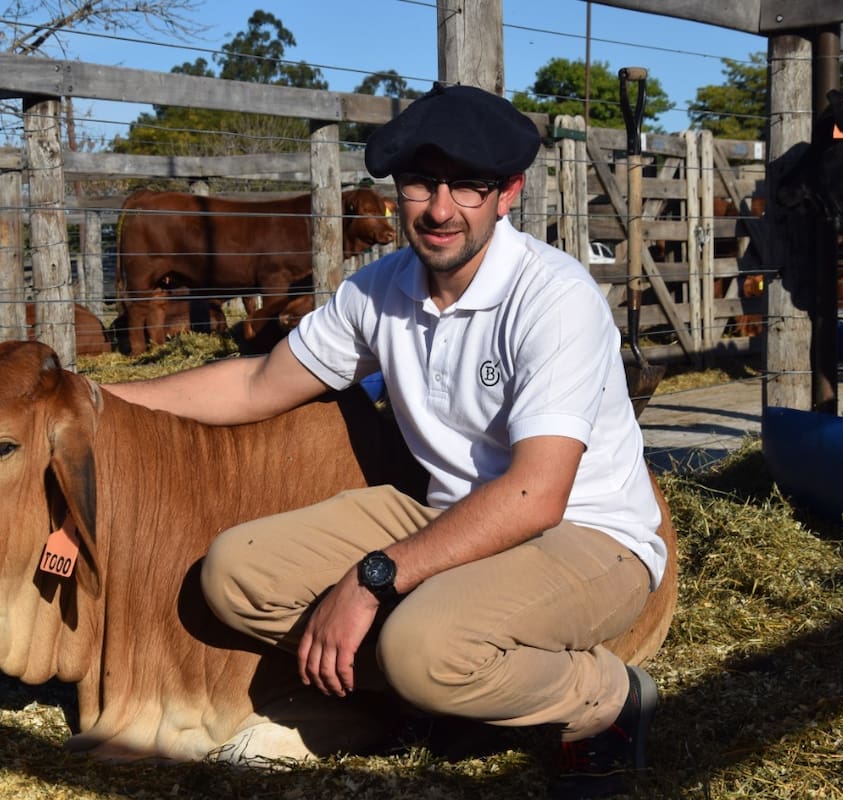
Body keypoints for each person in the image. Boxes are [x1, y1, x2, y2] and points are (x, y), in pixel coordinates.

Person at [105, 83, 666, 797]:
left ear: (508, 193)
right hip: (447, 513)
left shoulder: (554, 298)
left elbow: (536, 494)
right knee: (233, 575)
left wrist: (372, 579)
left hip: (583, 535)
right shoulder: (380, 289)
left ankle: (606, 699)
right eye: (420, 183)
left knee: (422, 647)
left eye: (468, 186)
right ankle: (439, 688)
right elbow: (255, 384)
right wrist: (97, 399)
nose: (440, 209)